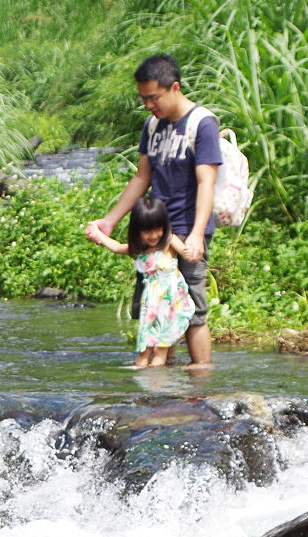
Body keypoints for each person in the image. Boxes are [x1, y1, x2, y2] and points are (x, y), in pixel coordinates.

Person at [84, 54, 221, 367]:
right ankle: (165, 383)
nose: (148, 105)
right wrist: (110, 221)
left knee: (194, 312)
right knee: (158, 307)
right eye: (143, 98)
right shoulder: (153, 125)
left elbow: (206, 182)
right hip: (154, 229)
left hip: (187, 228)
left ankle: (202, 388)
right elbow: (141, 177)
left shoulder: (202, 124)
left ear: (174, 87)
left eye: (153, 97)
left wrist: (198, 234)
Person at [87, 197, 194, 367]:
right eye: (146, 231)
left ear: (164, 227)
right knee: (145, 351)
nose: (153, 236)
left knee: (160, 351)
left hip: (169, 305)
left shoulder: (168, 241)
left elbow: (186, 252)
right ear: (137, 230)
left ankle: (154, 389)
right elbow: (116, 247)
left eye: (157, 229)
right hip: (151, 307)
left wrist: (190, 252)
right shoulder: (140, 248)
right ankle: (142, 387)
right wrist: (98, 234)